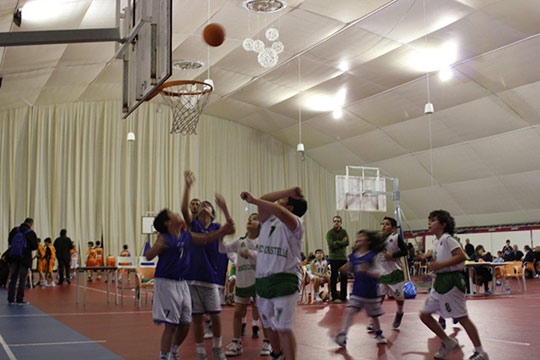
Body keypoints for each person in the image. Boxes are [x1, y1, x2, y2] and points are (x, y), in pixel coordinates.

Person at [146, 208, 234, 360]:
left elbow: (206, 238)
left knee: (186, 323)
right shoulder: (164, 238)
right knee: (171, 325)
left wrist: (222, 231)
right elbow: (148, 256)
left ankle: (173, 351)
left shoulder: (186, 236)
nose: (177, 214)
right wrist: (155, 248)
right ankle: (164, 356)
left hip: (182, 283)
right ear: (168, 222)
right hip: (166, 282)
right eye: (173, 214)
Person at [241, 186, 307, 360]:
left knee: (284, 327)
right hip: (263, 279)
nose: (279, 200)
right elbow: (265, 199)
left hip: (285, 279)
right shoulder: (268, 220)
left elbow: (279, 211)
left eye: (284, 200)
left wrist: (253, 200)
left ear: (290, 208)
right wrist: (287, 192)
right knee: (268, 324)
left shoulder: (295, 223)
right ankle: (278, 355)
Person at [419, 210, 489, 360]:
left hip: (452, 282)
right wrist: (433, 264)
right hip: (439, 284)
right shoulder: (436, 241)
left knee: (462, 318)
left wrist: (440, 265)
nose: (429, 223)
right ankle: (447, 341)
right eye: (429, 220)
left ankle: (480, 352)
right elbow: (440, 260)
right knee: (424, 315)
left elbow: (461, 256)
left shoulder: (448, 238)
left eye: (433, 220)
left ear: (443, 224)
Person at [181, 171, 230, 360]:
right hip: (192, 278)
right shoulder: (193, 225)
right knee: (197, 318)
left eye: (207, 206)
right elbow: (184, 210)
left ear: (212, 213)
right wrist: (187, 187)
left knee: (216, 316)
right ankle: (201, 351)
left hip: (211, 279)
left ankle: (217, 348)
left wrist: (225, 208)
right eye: (201, 205)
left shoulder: (216, 227)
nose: (203, 207)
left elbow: (231, 226)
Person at [219, 213, 272, 357]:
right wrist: (221, 235)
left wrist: (249, 253)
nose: (250, 219)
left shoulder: (263, 241)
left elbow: (265, 258)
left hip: (259, 282)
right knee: (237, 312)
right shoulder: (240, 241)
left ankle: (267, 341)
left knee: (263, 314)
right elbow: (223, 249)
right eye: (249, 218)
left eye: (255, 218)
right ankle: (236, 343)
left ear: (260, 226)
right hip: (243, 282)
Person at [335, 230, 387, 348]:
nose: (358, 239)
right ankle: (343, 335)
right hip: (357, 291)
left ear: (368, 241)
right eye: (358, 237)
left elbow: (379, 273)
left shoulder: (373, 256)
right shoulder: (353, 256)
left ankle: (379, 334)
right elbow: (350, 268)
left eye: (362, 237)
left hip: (371, 292)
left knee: (374, 315)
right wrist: (345, 269)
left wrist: (368, 270)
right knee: (349, 311)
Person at [375, 216, 408, 330]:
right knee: (380, 296)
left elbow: (405, 251)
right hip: (382, 273)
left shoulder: (395, 238)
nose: (384, 226)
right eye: (382, 223)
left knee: (399, 298)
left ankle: (399, 313)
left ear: (393, 228)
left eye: (387, 224)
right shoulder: (377, 240)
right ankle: (375, 320)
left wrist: (393, 255)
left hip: (395, 273)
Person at [7, 218, 38, 304]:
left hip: (14, 257)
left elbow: (10, 241)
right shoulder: (31, 233)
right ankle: (19, 299)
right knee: (22, 279)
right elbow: (35, 246)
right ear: (31, 224)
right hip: (25, 259)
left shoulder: (15, 230)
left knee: (13, 278)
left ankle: (10, 298)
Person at [326, 215, 349, 303]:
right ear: (333, 222)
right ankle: (334, 296)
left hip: (343, 258)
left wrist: (337, 242)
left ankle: (343, 297)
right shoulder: (330, 233)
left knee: (344, 277)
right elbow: (331, 245)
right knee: (334, 277)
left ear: (341, 223)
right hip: (333, 258)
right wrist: (341, 242)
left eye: (338, 221)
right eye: (335, 221)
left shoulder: (344, 232)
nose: (336, 222)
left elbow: (347, 242)